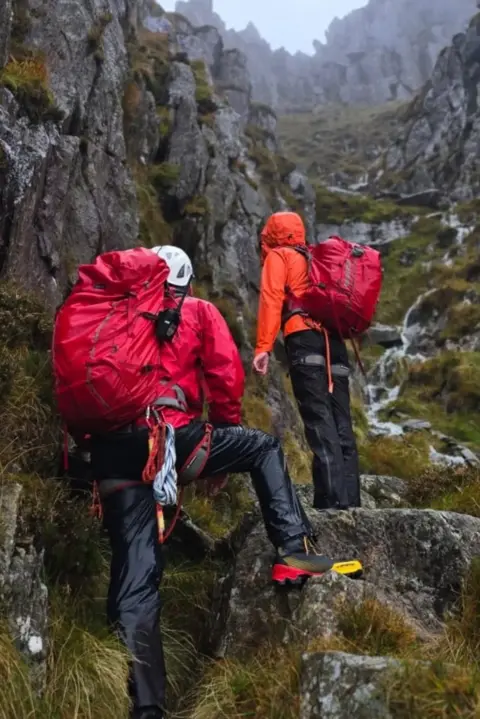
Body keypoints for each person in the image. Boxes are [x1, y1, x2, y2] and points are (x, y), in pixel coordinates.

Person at [88, 245, 347, 719]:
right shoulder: (199, 311)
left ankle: (145, 706)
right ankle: (291, 549)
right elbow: (226, 379)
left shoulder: (116, 310)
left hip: (111, 454)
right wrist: (222, 450)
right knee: (265, 448)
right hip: (169, 439)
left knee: (136, 575)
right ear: (184, 284)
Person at [252, 212, 361, 511]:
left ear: (273, 234)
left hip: (305, 340)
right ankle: (351, 500)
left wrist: (263, 346)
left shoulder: (280, 256)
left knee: (318, 420)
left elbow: (272, 298)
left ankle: (330, 503)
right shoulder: (317, 259)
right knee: (342, 424)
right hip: (336, 346)